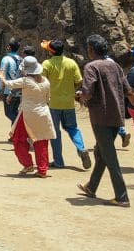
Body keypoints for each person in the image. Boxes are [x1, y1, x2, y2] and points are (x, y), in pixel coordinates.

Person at [77, 35, 134, 207]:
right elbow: (128, 90)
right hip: (116, 115)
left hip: (100, 117)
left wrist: (80, 96)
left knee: (109, 156)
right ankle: (91, 186)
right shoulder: (115, 66)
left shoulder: (91, 67)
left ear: (91, 50)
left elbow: (88, 92)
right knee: (101, 152)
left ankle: (122, 196)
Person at [0, 55, 56, 178]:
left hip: (28, 114)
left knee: (18, 139)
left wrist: (2, 76)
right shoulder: (46, 81)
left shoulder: (26, 81)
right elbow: (48, 99)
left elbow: (9, 84)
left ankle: (28, 163)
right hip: (44, 113)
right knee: (42, 141)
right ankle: (42, 170)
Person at [41, 39, 91, 170]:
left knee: (55, 132)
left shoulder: (47, 64)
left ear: (51, 52)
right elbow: (79, 81)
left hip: (53, 104)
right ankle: (81, 148)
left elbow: (41, 81)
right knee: (73, 128)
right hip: (69, 103)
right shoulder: (71, 63)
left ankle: (59, 161)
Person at [0, 38, 23, 125]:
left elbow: (1, 76)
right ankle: (15, 136)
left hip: (9, 90)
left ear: (9, 48)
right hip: (20, 90)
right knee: (15, 111)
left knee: (9, 113)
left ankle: (22, 129)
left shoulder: (6, 59)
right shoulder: (21, 59)